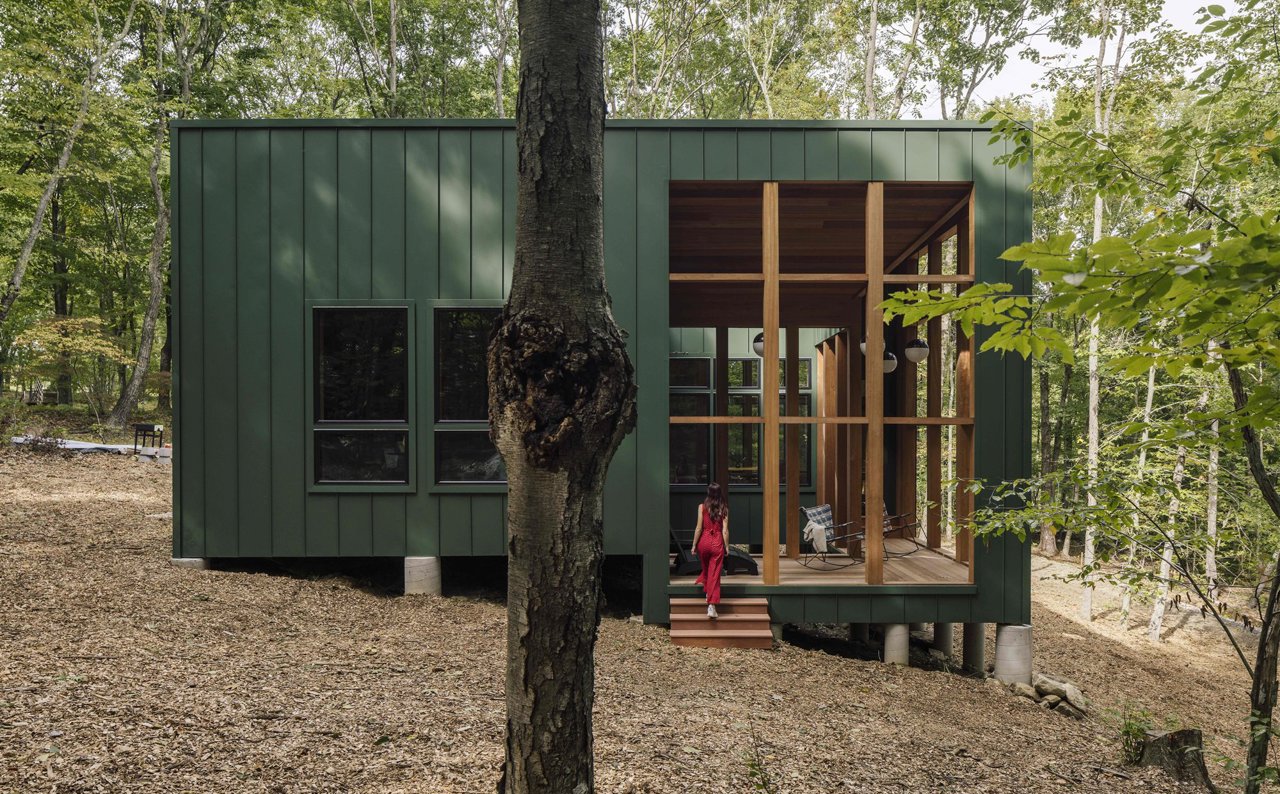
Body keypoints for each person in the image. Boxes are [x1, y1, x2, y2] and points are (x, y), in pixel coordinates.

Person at [691, 482, 729, 618]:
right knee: (715, 573)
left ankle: (708, 591)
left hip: (704, 542)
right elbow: (725, 531)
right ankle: (711, 605)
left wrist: (694, 545)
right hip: (717, 542)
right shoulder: (724, 509)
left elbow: (698, 528)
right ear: (720, 494)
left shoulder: (701, 507)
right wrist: (727, 547)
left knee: (707, 569)